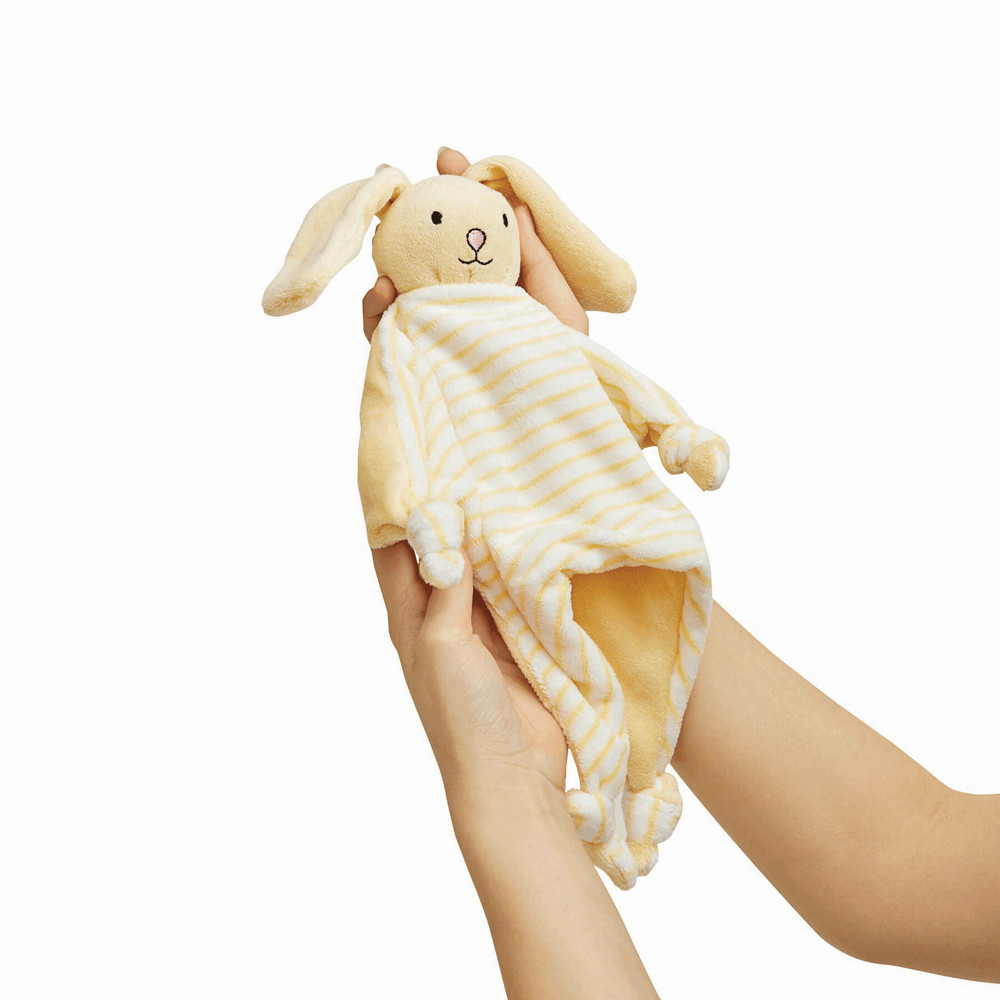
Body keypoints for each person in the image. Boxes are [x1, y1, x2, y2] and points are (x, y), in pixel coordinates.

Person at [360, 147, 1000, 998]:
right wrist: (566, 453)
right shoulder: (424, 347)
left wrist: (512, 794)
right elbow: (902, 862)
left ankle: (623, 798)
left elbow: (901, 862)